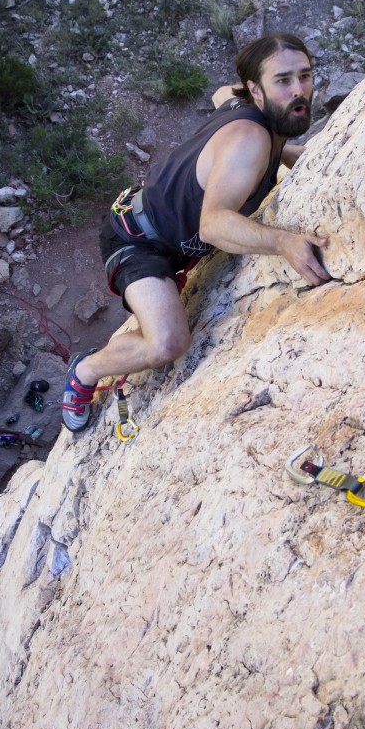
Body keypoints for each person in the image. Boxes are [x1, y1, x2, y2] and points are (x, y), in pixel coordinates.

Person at [62, 32, 330, 432]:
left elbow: (224, 93)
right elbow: (214, 223)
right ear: (256, 90)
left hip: (167, 231)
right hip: (139, 240)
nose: (299, 91)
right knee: (166, 343)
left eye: (305, 76)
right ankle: (85, 370)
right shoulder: (250, 140)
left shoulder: (247, 106)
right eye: (283, 81)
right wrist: (284, 242)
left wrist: (284, 150)